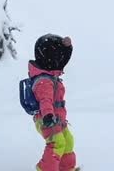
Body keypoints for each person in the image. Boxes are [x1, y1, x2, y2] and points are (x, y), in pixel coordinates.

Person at [28, 34, 77, 171]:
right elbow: (45, 100)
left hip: (57, 119)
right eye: (59, 56)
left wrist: (67, 48)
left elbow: (62, 59)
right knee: (57, 143)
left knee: (68, 141)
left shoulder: (51, 77)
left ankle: (65, 168)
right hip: (46, 119)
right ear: (49, 58)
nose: (61, 60)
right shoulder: (44, 81)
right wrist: (48, 115)